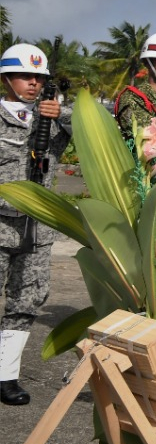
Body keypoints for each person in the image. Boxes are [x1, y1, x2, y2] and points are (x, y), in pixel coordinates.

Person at [0, 43, 71, 406]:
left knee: (26, 302)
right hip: (0, 226)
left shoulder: (51, 118)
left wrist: (61, 114)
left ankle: (6, 376)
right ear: (6, 78)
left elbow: (92, 130)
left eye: (39, 77)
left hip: (37, 230)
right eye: (25, 76)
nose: (33, 83)